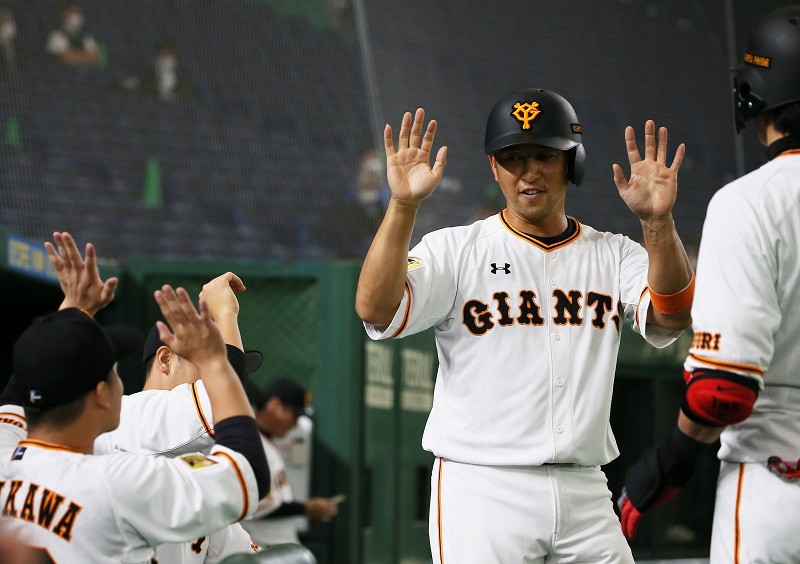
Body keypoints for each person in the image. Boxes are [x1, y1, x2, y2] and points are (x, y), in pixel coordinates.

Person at [355, 89, 694, 562]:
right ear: (495, 168)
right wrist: (403, 207)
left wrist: (658, 223)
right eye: (513, 158)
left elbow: (671, 315)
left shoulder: (614, 252)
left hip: (585, 487)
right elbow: (375, 308)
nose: (528, 171)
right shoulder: (455, 249)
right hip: (482, 487)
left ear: (571, 163)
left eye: (543, 156)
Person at [617, 6, 800, 563]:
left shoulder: (751, 202)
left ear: (754, 93)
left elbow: (721, 390)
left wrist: (669, 460)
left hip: (778, 483)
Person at [0, 231, 270, 561]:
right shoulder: (120, 465)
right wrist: (220, 341)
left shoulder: (8, 458)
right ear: (100, 394)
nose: (119, 377)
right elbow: (246, 469)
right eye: (112, 370)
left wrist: (74, 310)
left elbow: (19, 391)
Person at [93, 271, 264, 562]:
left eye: (219, 362)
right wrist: (225, 314)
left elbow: (240, 555)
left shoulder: (198, 464)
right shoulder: (127, 417)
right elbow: (215, 405)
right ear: (165, 359)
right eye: (207, 359)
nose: (218, 373)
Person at [242, 378, 340, 548]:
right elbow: (256, 506)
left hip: (275, 547)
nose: (295, 423)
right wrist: (306, 509)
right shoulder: (247, 442)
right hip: (261, 548)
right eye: (294, 415)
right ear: (274, 405)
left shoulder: (267, 440)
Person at [46, 3, 99, 68]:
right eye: (72, 12)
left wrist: (75, 57)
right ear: (64, 14)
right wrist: (84, 57)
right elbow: (65, 57)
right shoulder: (56, 35)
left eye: (77, 12)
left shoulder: (86, 35)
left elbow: (94, 56)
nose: (76, 16)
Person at [0, 9, 17, 73]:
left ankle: (11, 67)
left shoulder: (10, 26)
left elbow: (12, 32)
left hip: (7, 43)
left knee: (8, 49)